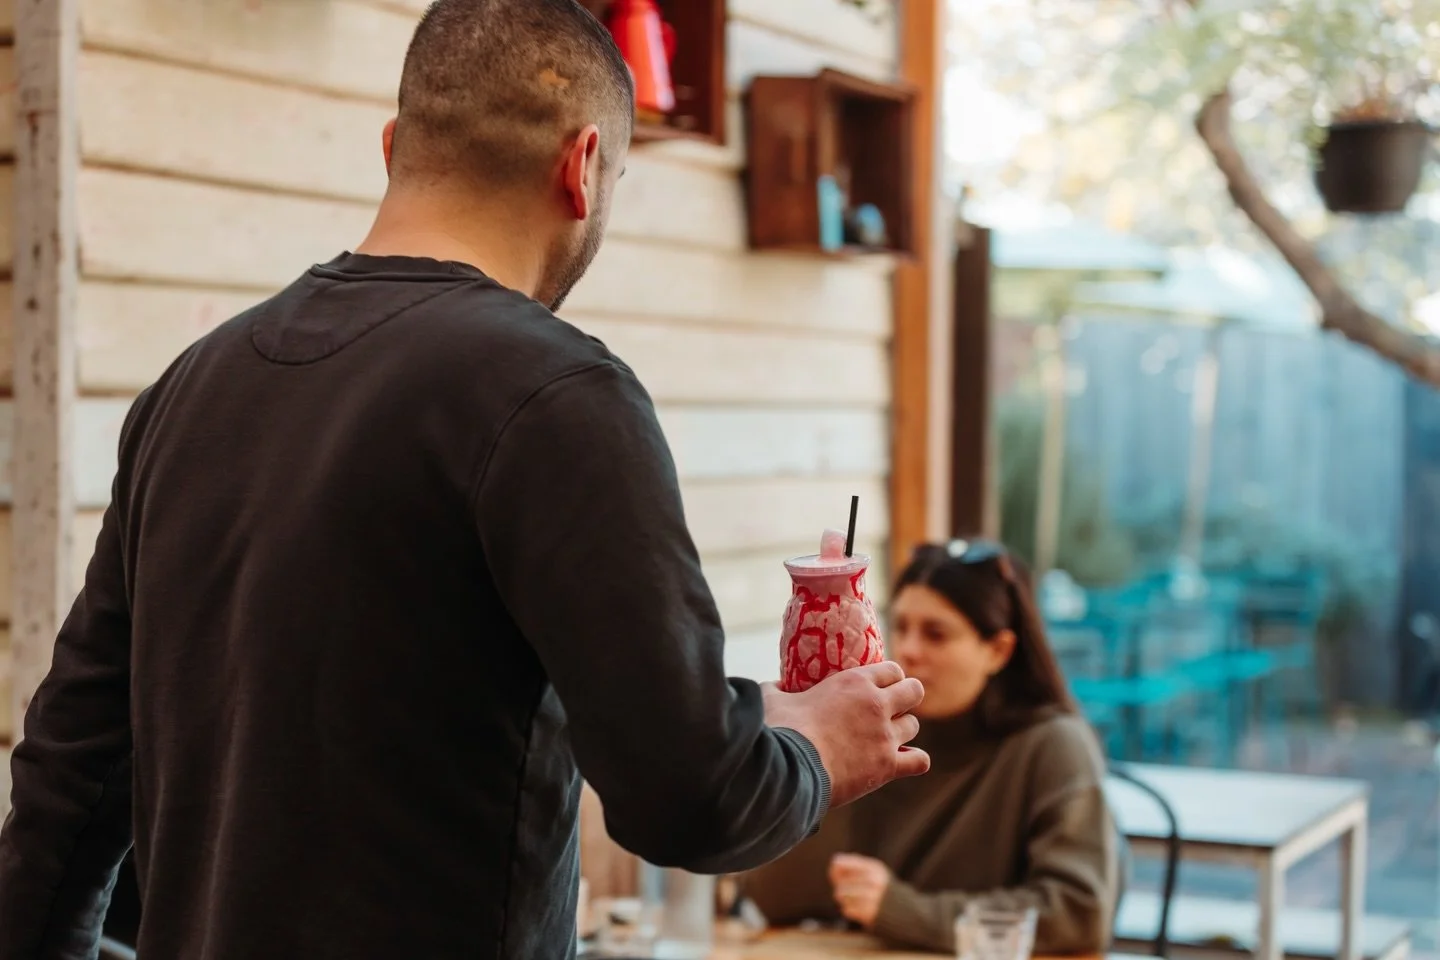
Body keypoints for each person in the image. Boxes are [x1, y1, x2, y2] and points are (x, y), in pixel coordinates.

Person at [0, 2, 930, 958]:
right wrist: (820, 751)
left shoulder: (189, 387)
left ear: (396, 145)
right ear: (582, 167)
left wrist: (744, 716)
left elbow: (69, 782)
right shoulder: (561, 395)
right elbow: (693, 798)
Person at [743, 539, 1119, 955]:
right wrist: (815, 754)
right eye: (901, 627)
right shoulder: (873, 735)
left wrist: (901, 909)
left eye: (936, 634)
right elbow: (774, 898)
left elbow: (1080, 913)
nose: (909, 650)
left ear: (998, 650)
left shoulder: (1051, 745)